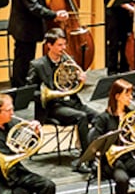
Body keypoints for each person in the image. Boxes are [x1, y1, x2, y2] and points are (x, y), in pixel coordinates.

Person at [31, 29, 97, 173]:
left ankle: (91, 154)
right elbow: (30, 92)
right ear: (49, 45)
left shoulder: (68, 61)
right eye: (59, 45)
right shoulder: (38, 65)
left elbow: (73, 87)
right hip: (53, 107)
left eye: (64, 45)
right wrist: (48, 93)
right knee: (82, 117)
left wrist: (80, 80)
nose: (63, 49)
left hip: (72, 102)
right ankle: (85, 160)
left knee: (99, 118)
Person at [8, 0, 65, 89]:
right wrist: (55, 15)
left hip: (25, 25)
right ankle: (21, 89)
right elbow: (34, 7)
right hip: (25, 28)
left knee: (25, 58)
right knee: (23, 61)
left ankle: (24, 87)